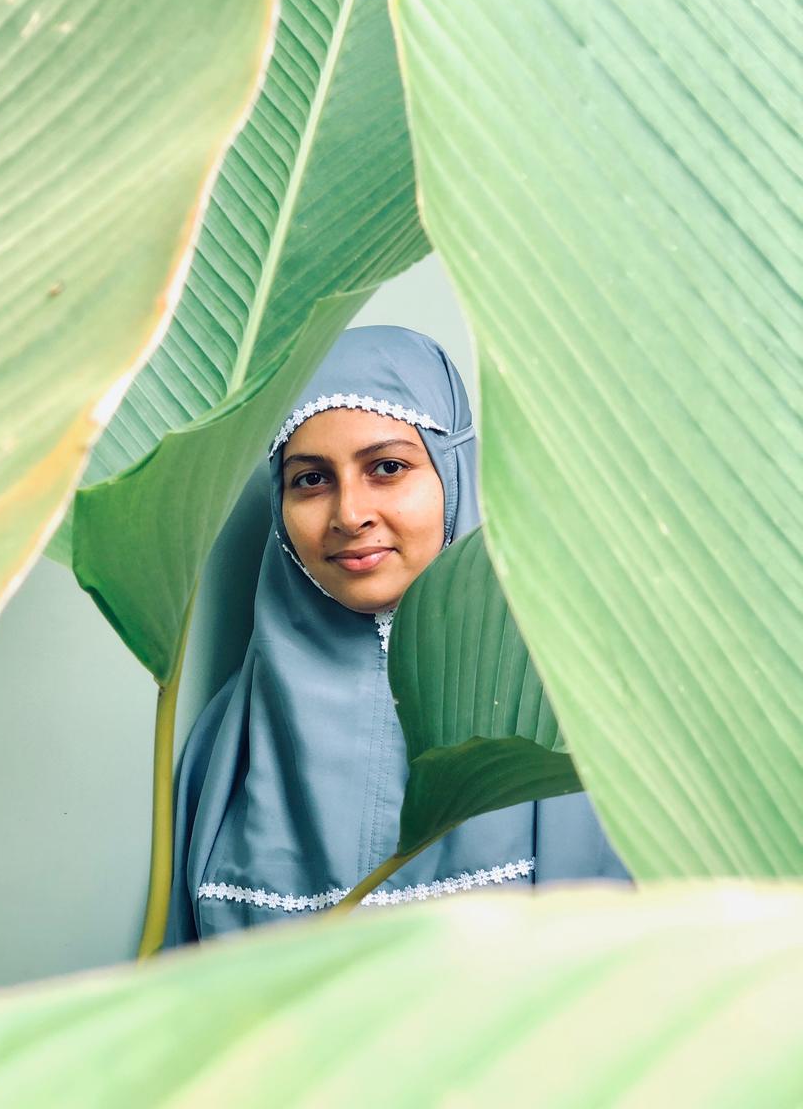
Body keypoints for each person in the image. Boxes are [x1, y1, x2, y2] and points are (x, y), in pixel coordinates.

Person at [165, 326, 628, 945]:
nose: (349, 514)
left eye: (387, 467)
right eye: (310, 479)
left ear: (453, 471)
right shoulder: (228, 746)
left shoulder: (562, 710)